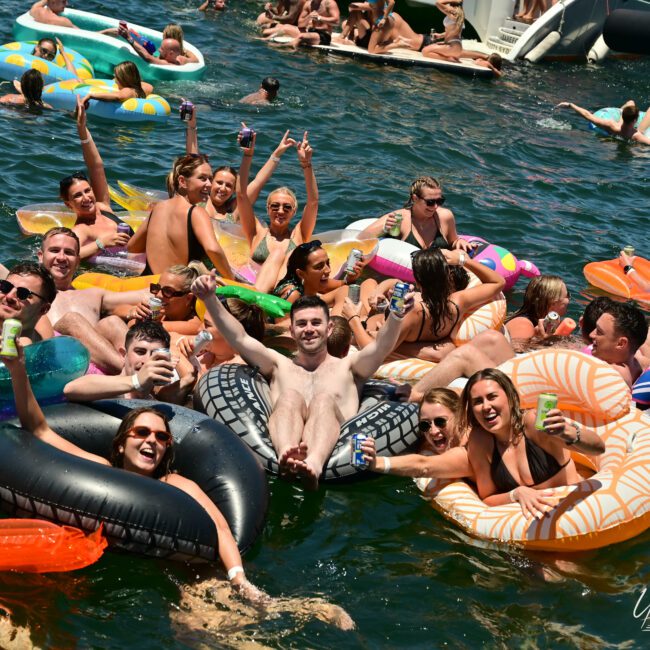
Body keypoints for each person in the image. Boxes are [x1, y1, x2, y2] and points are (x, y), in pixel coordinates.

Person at [3, 342, 265, 604]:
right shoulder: (101, 471)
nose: (152, 441)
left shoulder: (175, 483)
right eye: (141, 433)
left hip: (172, 572)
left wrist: (238, 578)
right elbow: (40, 430)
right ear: (120, 443)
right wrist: (18, 370)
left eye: (161, 437)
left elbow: (219, 526)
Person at [192, 274, 413, 489]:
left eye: (316, 323)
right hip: (279, 446)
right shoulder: (279, 364)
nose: (309, 329)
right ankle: (286, 454)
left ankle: (313, 464)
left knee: (323, 401)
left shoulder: (350, 368)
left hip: (336, 457)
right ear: (292, 330)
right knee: (290, 397)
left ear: (329, 329)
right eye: (302, 324)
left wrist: (396, 315)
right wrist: (209, 298)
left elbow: (381, 347)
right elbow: (239, 337)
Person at [406, 298, 649, 401]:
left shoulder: (615, 374)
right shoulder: (633, 356)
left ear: (621, 343)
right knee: (492, 338)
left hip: (526, 391)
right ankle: (431, 363)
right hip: (529, 370)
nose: (592, 336)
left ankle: (412, 397)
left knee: (466, 355)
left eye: (600, 333)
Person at [460, 368, 604, 519]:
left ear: (511, 397)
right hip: (530, 530)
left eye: (492, 397)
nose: (485, 406)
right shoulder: (480, 441)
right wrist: (516, 493)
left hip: (577, 513)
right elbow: (488, 498)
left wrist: (567, 432)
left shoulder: (534, 423)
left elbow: (598, 448)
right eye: (477, 401)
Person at [346, 248, 504, 360]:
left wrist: (352, 318)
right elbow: (498, 282)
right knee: (371, 285)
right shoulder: (457, 302)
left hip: (366, 328)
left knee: (362, 287)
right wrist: (463, 260)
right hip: (394, 328)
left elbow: (373, 351)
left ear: (419, 282)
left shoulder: (413, 312)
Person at [38, 227, 145, 373]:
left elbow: (143, 295)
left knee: (111, 322)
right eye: (55, 250)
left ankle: (151, 384)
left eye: (69, 253)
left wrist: (179, 286)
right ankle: (135, 374)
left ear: (77, 261)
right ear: (40, 256)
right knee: (72, 321)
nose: (61, 257)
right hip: (56, 367)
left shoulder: (93, 295)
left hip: (98, 369)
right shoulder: (28, 292)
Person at [237, 129, 318, 293]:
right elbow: (241, 195)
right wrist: (248, 155)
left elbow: (313, 202)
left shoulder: (299, 234)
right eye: (275, 206)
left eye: (287, 207)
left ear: (294, 212)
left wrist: (306, 164)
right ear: (267, 209)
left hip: (285, 294)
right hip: (258, 287)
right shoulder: (256, 232)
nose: (280, 211)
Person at [127, 154, 233, 278]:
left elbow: (132, 246)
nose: (209, 184)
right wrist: (233, 280)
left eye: (210, 179)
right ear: (182, 181)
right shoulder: (196, 212)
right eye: (202, 178)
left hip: (150, 284)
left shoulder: (158, 208)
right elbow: (213, 250)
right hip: (177, 290)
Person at [184, 113, 296, 223]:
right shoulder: (198, 199)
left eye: (228, 185)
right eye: (219, 182)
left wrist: (276, 154)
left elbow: (258, 182)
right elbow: (193, 160)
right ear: (211, 183)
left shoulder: (234, 211)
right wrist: (191, 125)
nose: (223, 188)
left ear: (234, 190)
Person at [60, 98, 130, 260]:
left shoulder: (103, 207)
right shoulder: (82, 230)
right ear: (67, 204)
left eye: (87, 190)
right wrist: (101, 242)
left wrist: (82, 129)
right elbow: (69, 256)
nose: (86, 198)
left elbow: (96, 166)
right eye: (77, 195)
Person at [63, 320, 195, 404]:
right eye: (140, 352)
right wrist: (136, 381)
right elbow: (70, 389)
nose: (147, 361)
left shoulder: (157, 403)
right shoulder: (103, 388)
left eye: (155, 354)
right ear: (123, 354)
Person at [361, 388, 473, 479]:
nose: (433, 431)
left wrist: (377, 463)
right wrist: (419, 396)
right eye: (425, 425)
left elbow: (424, 466)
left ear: (460, 417)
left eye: (440, 422)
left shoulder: (469, 448)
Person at [359, 176, 475, 252]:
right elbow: (361, 238)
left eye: (440, 201)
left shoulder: (445, 216)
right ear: (415, 198)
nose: (435, 206)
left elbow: (453, 242)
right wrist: (384, 229)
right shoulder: (400, 218)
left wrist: (459, 242)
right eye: (430, 202)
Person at [272, 240, 362, 314]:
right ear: (301, 274)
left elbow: (344, 284)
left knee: (348, 289)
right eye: (319, 267)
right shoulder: (292, 294)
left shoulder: (315, 281)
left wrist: (352, 278)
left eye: (327, 263)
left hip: (311, 302)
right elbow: (281, 327)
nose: (328, 270)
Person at [123, 262, 205, 335]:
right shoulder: (162, 312)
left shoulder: (193, 326)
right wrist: (132, 312)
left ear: (188, 298)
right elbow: (117, 309)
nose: (158, 295)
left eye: (168, 291)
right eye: (157, 288)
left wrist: (136, 319)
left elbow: (140, 327)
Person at [0, 262, 56, 344]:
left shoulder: (28, 346)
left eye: (23, 293)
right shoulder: (40, 321)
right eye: (6, 286)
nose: (9, 296)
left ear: (43, 309)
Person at [505, 275, 570, 345]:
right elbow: (515, 352)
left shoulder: (544, 324)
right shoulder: (523, 324)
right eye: (567, 295)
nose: (569, 299)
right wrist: (542, 341)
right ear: (553, 303)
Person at [556, 100, 650, 144]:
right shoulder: (636, 135)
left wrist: (570, 105)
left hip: (619, 128)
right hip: (632, 132)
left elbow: (588, 115)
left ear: (622, 115)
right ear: (635, 120)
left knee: (630, 102)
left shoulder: (611, 126)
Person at [81, 61, 153, 105]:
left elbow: (118, 96)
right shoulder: (141, 88)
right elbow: (149, 86)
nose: (115, 79)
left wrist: (90, 96)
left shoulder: (128, 90)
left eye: (116, 76)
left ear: (123, 79)